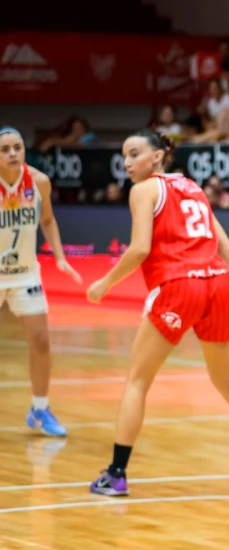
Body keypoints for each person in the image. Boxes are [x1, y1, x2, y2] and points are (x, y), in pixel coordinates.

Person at [85, 130, 229, 497]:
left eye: (134, 154)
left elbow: (140, 248)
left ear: (157, 157)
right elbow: (227, 250)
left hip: (179, 285)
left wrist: (105, 283)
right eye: (124, 156)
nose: (127, 163)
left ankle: (116, 474)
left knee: (137, 382)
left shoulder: (144, 190)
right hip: (218, 285)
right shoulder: (193, 187)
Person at [0, 127, 82, 437]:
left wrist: (59, 257)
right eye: (5, 149)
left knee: (41, 342)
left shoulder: (39, 181)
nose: (13, 154)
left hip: (25, 274)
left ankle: (39, 410)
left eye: (17, 147)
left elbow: (47, 220)